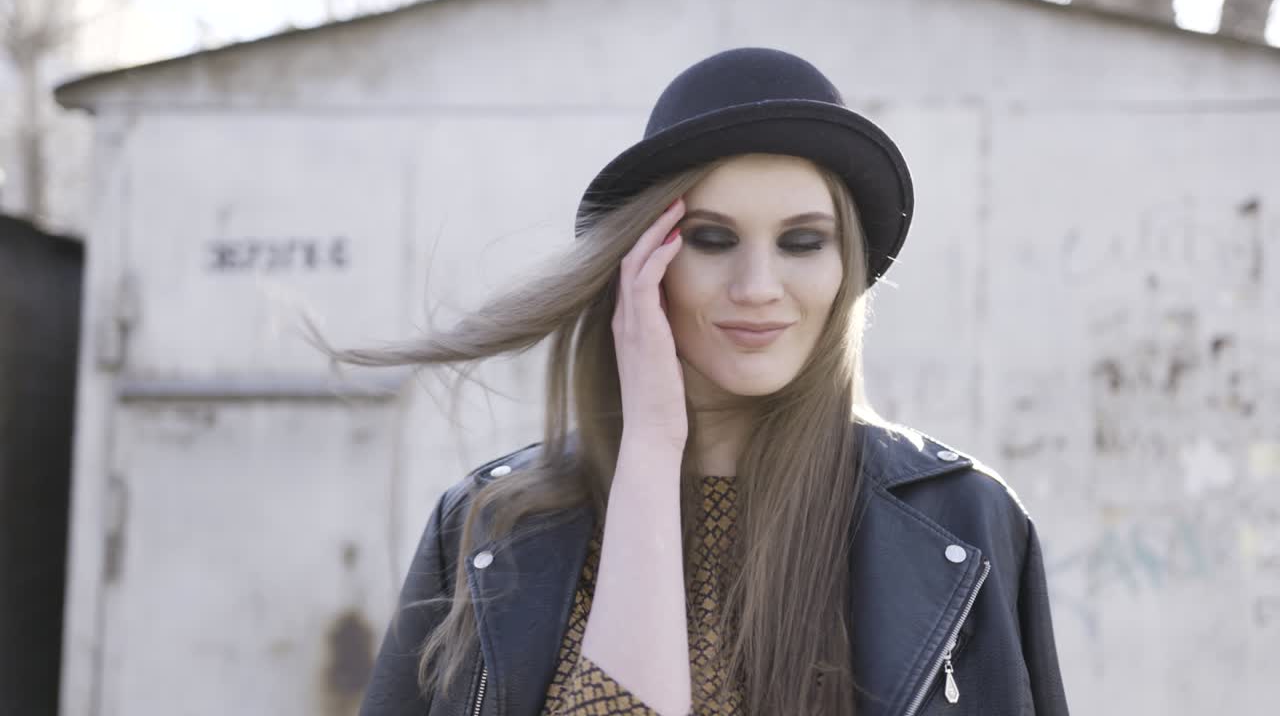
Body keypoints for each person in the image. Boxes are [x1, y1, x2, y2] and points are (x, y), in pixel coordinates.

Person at [324, 47, 1070, 715]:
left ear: (847, 272)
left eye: (803, 242)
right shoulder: (490, 526)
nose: (757, 286)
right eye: (711, 240)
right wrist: (649, 452)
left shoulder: (964, 522)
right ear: (643, 263)